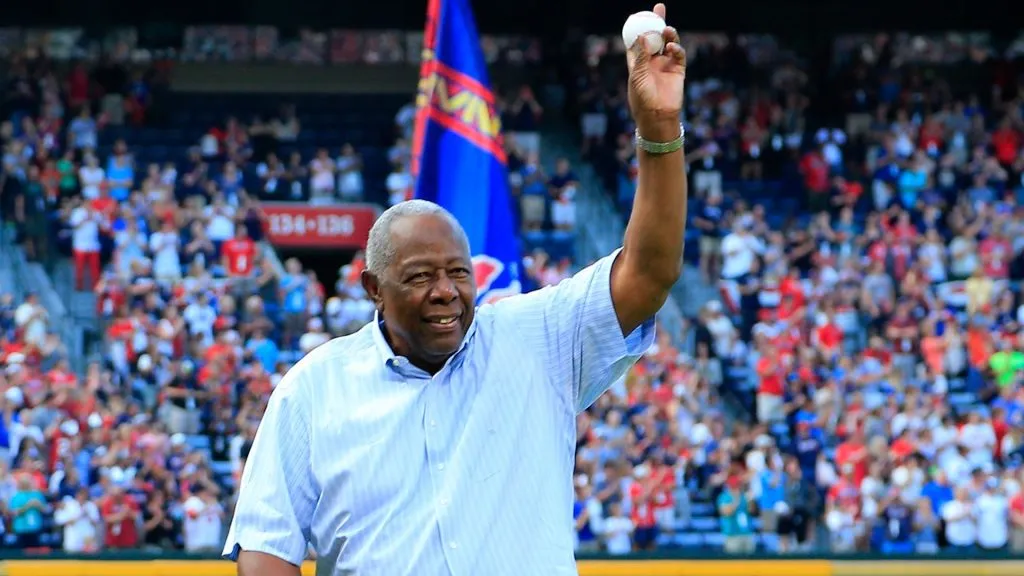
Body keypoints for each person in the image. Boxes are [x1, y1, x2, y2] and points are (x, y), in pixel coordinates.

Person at [224, 4, 688, 575]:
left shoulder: (536, 339)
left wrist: (659, 130)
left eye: (458, 272)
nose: (446, 291)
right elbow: (267, 549)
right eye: (420, 276)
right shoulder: (312, 391)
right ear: (374, 287)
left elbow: (651, 272)